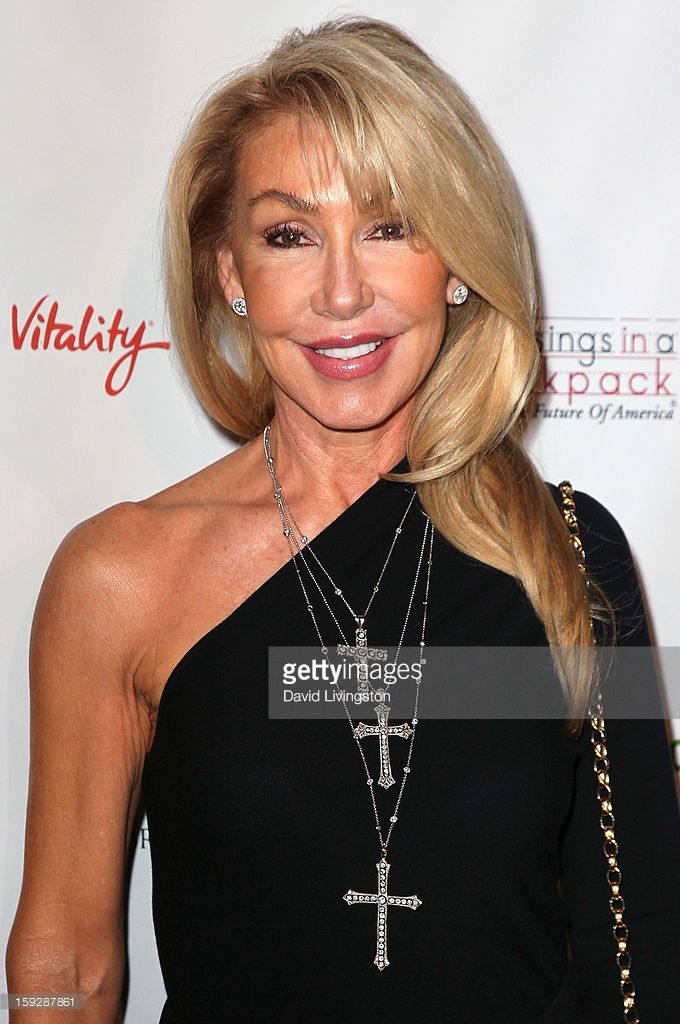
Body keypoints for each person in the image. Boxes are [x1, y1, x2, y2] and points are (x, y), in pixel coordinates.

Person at [6, 15, 680, 1024]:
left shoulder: (567, 557)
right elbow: (68, 960)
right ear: (229, 274)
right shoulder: (120, 577)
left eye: (389, 226)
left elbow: (647, 951)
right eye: (288, 235)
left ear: (455, 258)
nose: (341, 292)